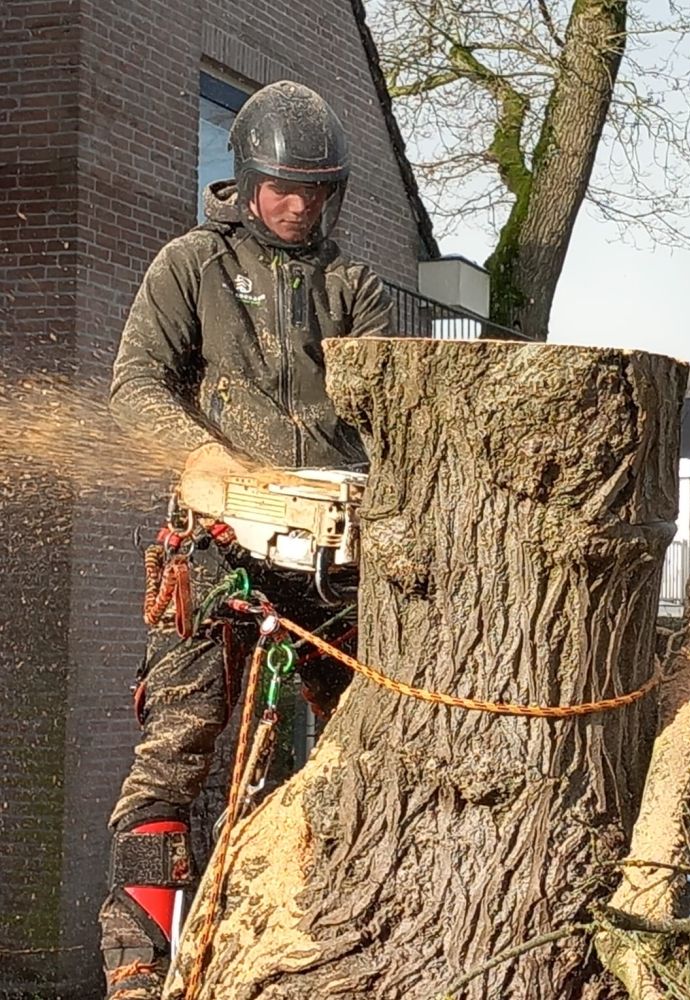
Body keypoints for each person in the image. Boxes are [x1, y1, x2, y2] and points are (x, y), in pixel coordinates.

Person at [99, 80, 393, 1000]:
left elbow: (394, 418)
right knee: (176, 747)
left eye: (316, 191)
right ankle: (138, 964)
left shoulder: (356, 290)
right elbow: (135, 385)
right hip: (219, 544)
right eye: (282, 190)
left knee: (374, 731)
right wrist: (196, 455)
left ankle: (346, 931)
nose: (299, 206)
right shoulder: (189, 265)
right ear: (248, 181)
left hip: (331, 558)